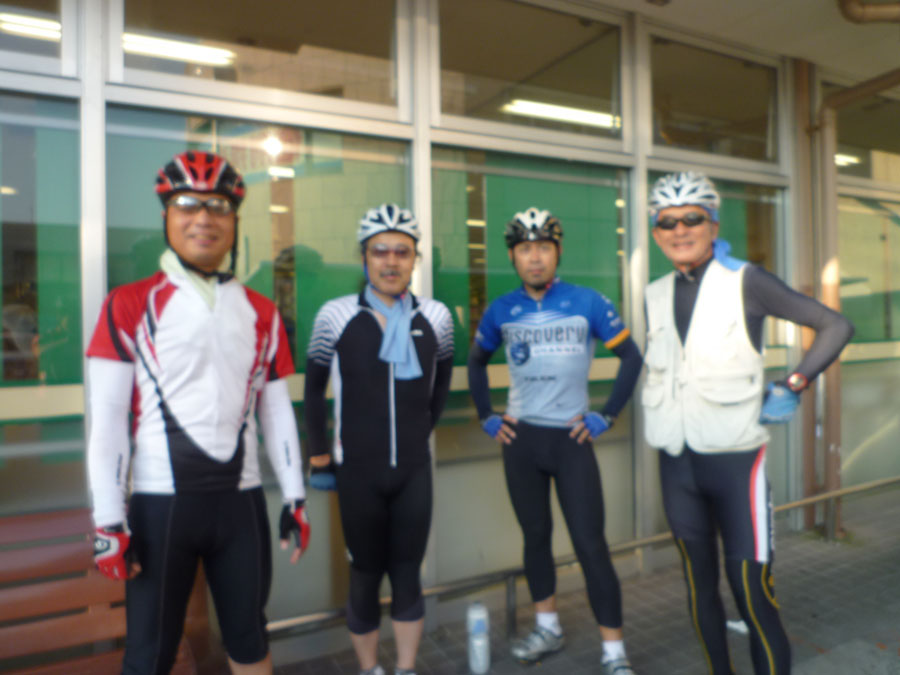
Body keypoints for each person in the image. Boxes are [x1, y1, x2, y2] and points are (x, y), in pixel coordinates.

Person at [86, 151, 310, 675]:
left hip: (241, 505)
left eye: (219, 206)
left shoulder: (262, 310)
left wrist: (295, 496)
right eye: (187, 203)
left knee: (250, 641)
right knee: (149, 656)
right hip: (160, 508)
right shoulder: (129, 303)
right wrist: (108, 520)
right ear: (166, 215)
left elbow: (277, 411)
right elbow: (109, 419)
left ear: (235, 220)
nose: (204, 218)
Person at [642, 171, 855, 675]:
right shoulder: (654, 293)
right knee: (698, 591)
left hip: (738, 465)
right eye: (667, 222)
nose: (680, 229)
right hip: (677, 466)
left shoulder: (747, 280)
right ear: (656, 233)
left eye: (692, 218)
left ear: (713, 225)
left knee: (752, 595)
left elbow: (835, 325)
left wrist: (795, 383)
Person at [467, 208, 643, 675]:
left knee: (590, 544)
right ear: (512, 256)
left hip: (571, 439)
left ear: (557, 252)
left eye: (544, 247)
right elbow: (476, 361)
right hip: (521, 441)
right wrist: (486, 416)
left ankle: (614, 653)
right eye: (525, 248)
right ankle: (548, 628)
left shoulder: (587, 301)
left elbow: (632, 357)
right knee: (535, 537)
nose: (535, 257)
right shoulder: (501, 309)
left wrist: (607, 414)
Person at [304, 204, 454, 675]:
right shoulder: (336, 315)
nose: (391, 261)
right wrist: (320, 457)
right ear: (364, 257)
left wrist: (418, 433)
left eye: (402, 252)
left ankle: (405, 669)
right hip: (358, 473)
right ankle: (370, 670)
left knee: (408, 574)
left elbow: (441, 387)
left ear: (415, 259)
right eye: (380, 251)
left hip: (412, 471)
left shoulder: (437, 317)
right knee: (365, 575)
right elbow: (313, 390)